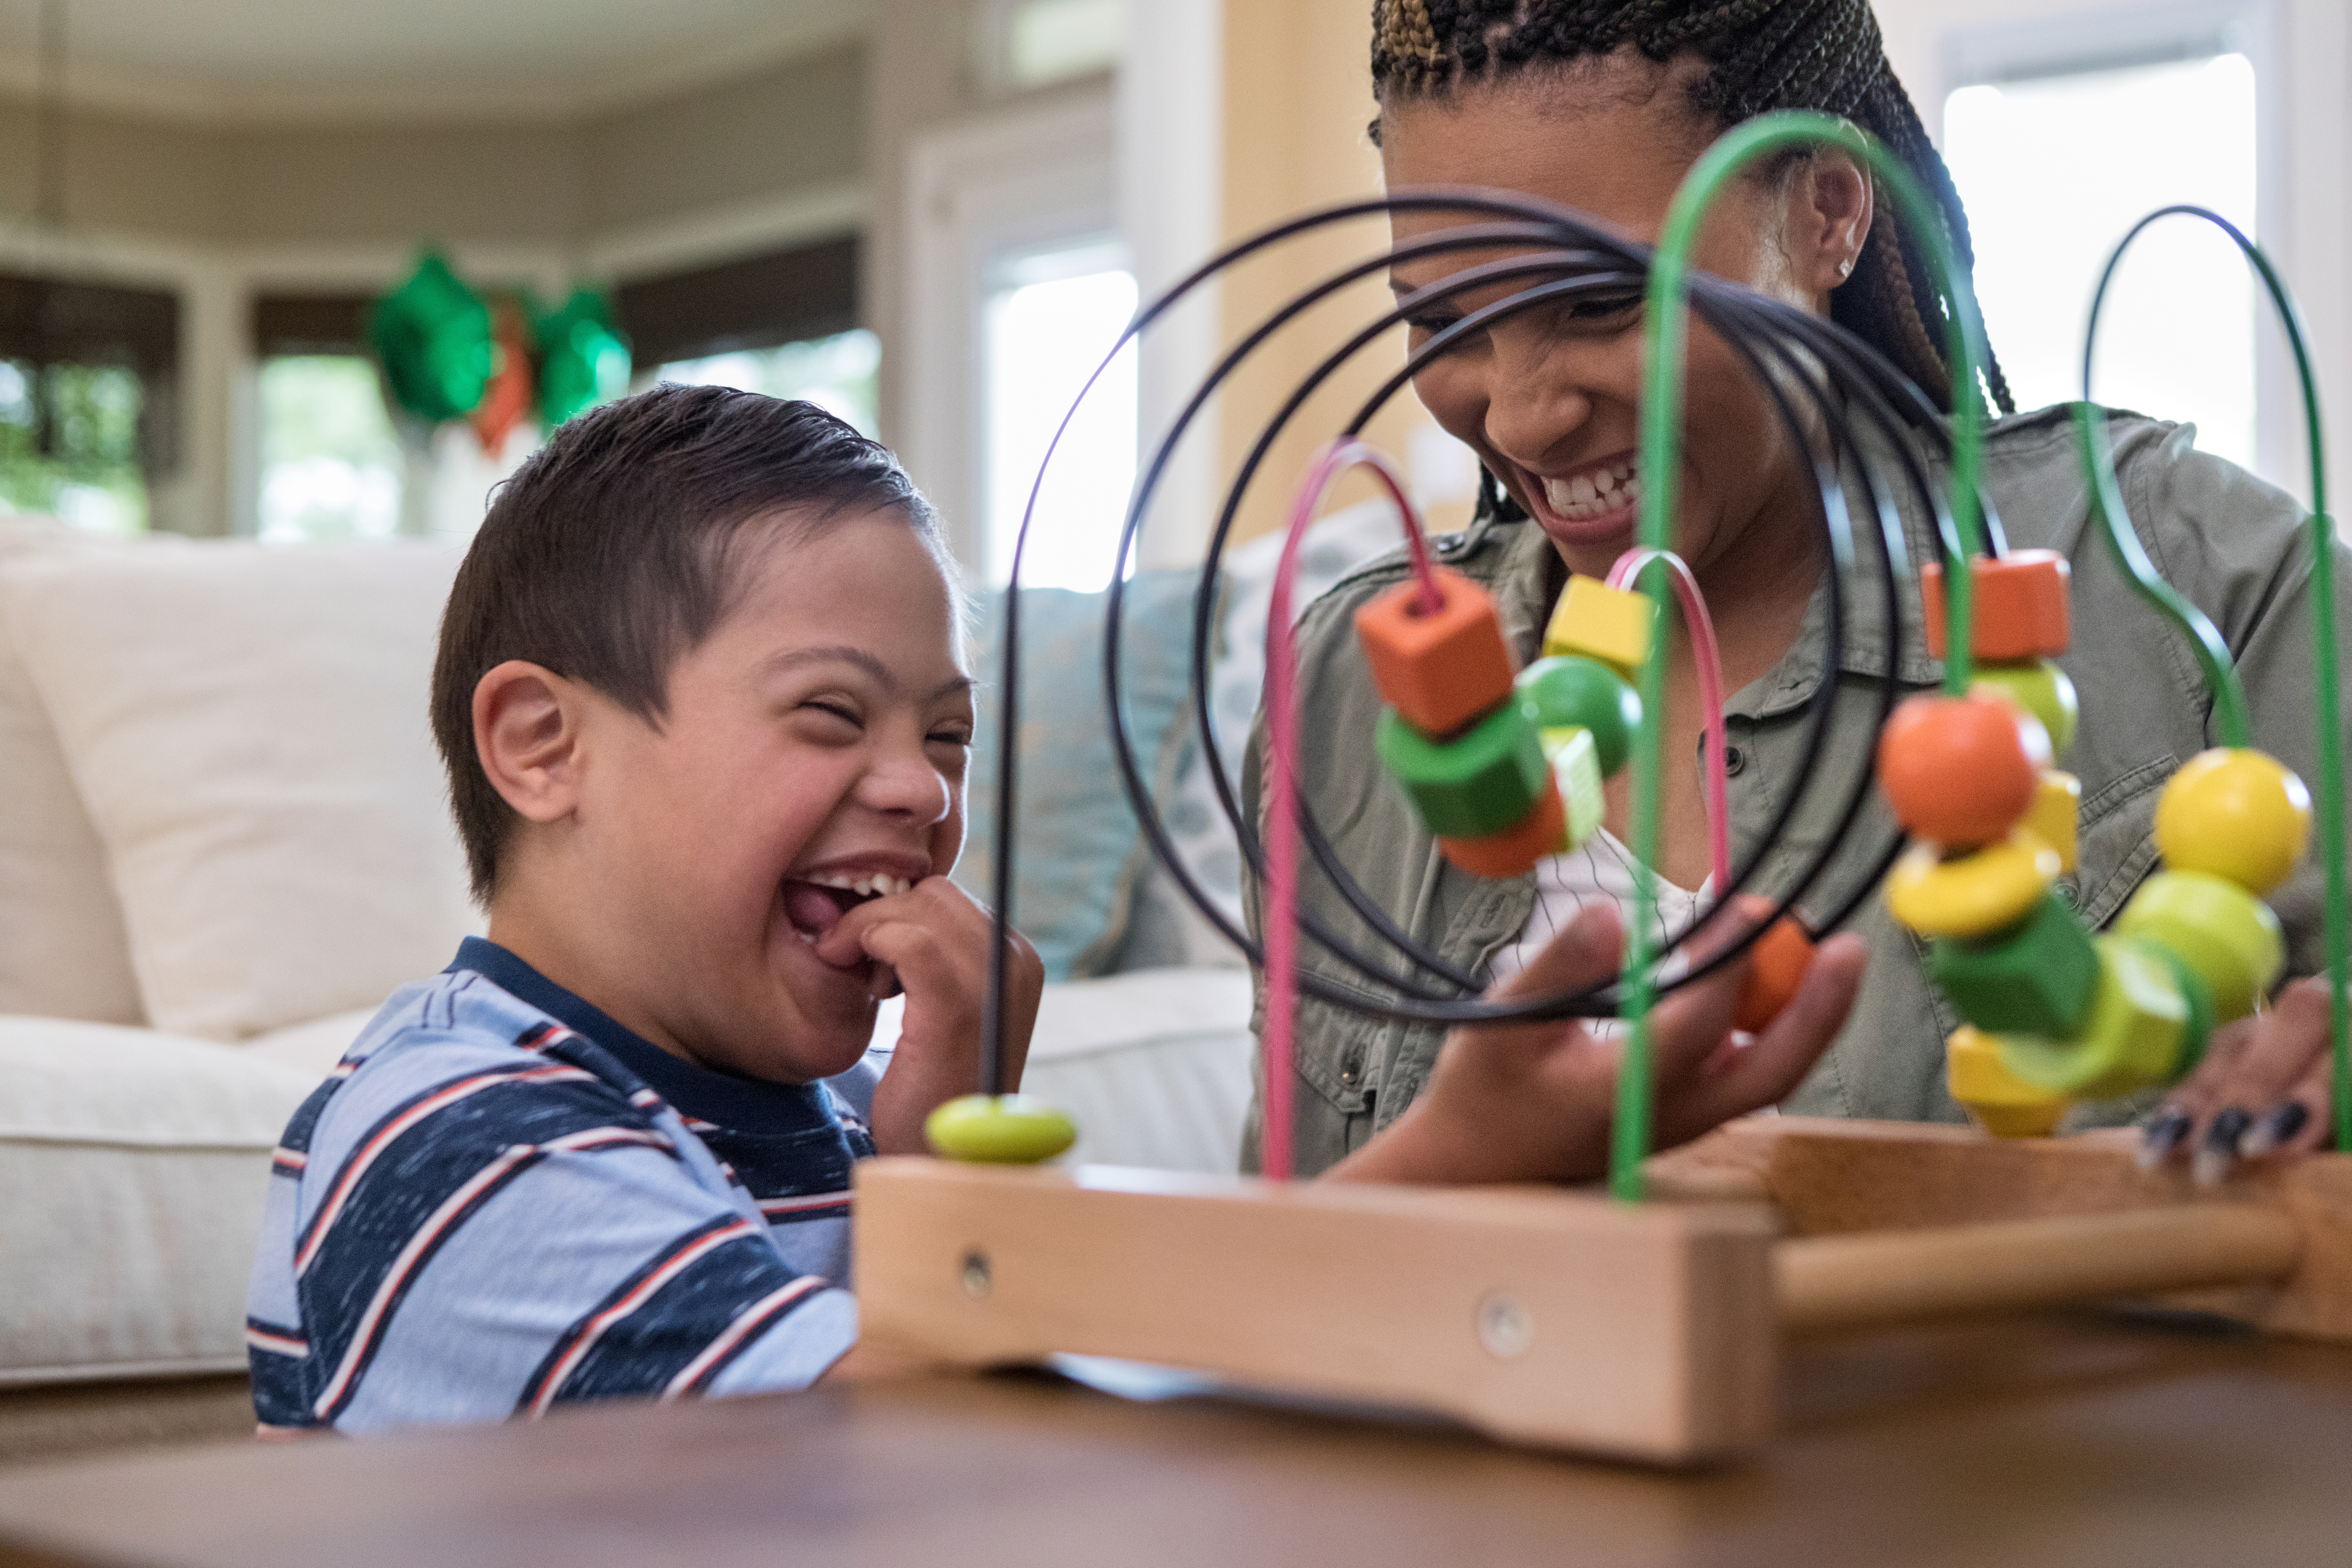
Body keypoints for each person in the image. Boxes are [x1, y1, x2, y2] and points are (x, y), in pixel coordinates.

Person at [1247, 0, 2349, 1180]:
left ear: (1828, 210)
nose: (1521, 415)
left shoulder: (2209, 583)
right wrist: (1458, 1163)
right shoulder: (1340, 694)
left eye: (1605, 300)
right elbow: (1273, 1293)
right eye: (1443, 320)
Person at [245, 387, 1045, 1433]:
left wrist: (931, 1158)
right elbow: (933, 1469)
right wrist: (945, 1181)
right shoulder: (467, 1139)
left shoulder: (864, 1112)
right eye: (830, 713)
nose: (924, 789)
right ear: (544, 745)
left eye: (949, 736)